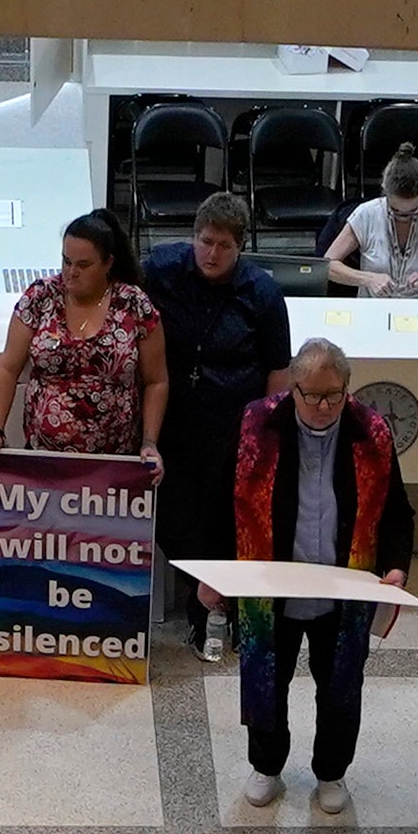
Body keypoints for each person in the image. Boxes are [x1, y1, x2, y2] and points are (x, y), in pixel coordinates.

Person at [227, 339, 408, 812]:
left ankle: (332, 772)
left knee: (341, 688)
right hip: (271, 590)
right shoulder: (257, 423)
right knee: (267, 680)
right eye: (311, 395)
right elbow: (223, 499)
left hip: (343, 590)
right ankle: (267, 765)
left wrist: (395, 566)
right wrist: (214, 575)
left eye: (335, 394)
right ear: (292, 386)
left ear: (347, 388)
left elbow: (395, 509)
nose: (324, 405)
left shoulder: (372, 431)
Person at [144, 188, 295, 638]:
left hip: (234, 429)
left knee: (228, 518)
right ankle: (206, 588)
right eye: (206, 241)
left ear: (240, 247)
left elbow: (278, 370)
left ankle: (211, 609)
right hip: (173, 423)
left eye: (224, 245)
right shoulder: (162, 271)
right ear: (194, 237)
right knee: (173, 516)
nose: (212, 253)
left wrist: (266, 434)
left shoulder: (262, 293)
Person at [0, 206, 166, 466]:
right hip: (45, 457)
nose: (71, 272)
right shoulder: (40, 297)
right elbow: (8, 367)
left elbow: (156, 381)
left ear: (108, 263)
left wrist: (149, 442)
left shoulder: (133, 304)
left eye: (83, 265)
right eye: (66, 261)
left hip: (115, 461)